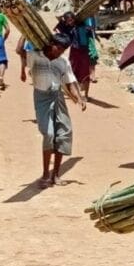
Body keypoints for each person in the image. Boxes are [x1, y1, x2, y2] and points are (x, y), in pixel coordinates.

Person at [29, 32, 87, 188]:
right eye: (59, 48)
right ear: (51, 44)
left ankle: (55, 174)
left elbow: (69, 82)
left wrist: (79, 99)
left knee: (64, 133)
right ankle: (45, 174)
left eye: (63, 49)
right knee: (48, 133)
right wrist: (25, 36)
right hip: (41, 98)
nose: (60, 52)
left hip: (58, 97)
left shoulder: (63, 61)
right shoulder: (35, 56)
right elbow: (19, 50)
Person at [58, 12, 98, 99]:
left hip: (84, 52)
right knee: (71, 72)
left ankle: (86, 95)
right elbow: (60, 29)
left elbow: (92, 29)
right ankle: (73, 92)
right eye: (68, 21)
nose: (70, 22)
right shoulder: (68, 28)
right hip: (74, 52)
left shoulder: (83, 25)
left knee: (85, 73)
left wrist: (91, 17)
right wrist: (61, 20)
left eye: (72, 19)